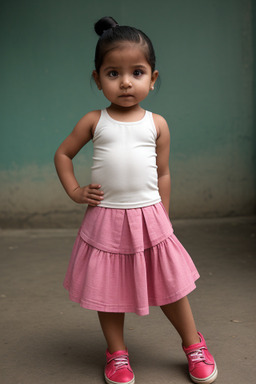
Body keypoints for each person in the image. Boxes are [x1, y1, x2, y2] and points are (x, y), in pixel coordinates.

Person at [54, 16, 218, 384]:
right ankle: (117, 354)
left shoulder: (157, 124)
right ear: (97, 80)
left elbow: (162, 173)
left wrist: (165, 218)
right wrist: (76, 191)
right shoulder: (94, 121)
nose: (126, 82)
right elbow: (63, 155)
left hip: (150, 218)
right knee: (107, 289)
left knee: (170, 285)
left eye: (137, 72)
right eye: (113, 73)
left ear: (153, 78)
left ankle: (194, 344)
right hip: (106, 219)